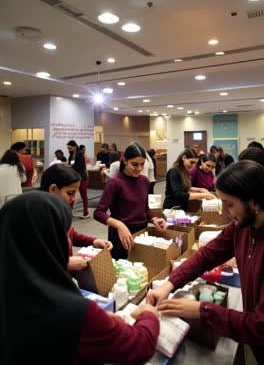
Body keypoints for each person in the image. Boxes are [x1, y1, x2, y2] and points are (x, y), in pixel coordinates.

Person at [0, 192, 160, 365]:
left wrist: (99, 323)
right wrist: (148, 314)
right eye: (65, 234)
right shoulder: (70, 309)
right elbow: (139, 346)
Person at [147, 160, 264, 364]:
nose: (224, 213)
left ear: (254, 202)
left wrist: (202, 310)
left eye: (229, 204)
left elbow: (259, 326)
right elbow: (206, 255)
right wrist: (169, 284)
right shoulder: (241, 227)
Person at [94, 143, 166, 259]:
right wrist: (119, 224)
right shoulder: (114, 182)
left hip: (141, 233)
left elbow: (145, 208)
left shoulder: (144, 181)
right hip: (120, 235)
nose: (139, 168)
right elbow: (98, 213)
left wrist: (154, 219)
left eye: (142, 164)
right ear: (125, 161)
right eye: (135, 164)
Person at [40, 164, 112, 272]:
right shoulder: (37, 218)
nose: (74, 198)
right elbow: (30, 260)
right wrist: (65, 263)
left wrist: (94, 241)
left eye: (75, 192)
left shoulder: (60, 211)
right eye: (70, 193)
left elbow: (70, 234)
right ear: (53, 189)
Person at [67, 140, 89, 219]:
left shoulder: (80, 154)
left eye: (70, 148)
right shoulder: (71, 155)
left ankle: (86, 212)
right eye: (68, 148)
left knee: (83, 195)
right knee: (72, 194)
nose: (69, 150)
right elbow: (70, 164)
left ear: (75, 146)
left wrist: (69, 167)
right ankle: (69, 211)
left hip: (82, 178)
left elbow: (79, 166)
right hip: (74, 177)